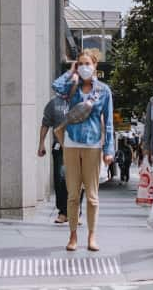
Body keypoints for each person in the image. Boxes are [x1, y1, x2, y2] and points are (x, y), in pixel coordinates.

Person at [52, 49, 115, 252]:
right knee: (72, 194)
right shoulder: (72, 87)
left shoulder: (104, 91)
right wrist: (71, 72)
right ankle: (72, 236)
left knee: (92, 196)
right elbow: (56, 87)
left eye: (87, 63)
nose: (84, 67)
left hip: (93, 145)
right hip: (71, 143)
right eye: (80, 64)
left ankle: (92, 236)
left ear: (95, 65)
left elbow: (110, 122)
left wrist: (109, 150)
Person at [38, 76, 73, 224]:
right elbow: (45, 123)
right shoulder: (54, 103)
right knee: (60, 180)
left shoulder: (80, 101)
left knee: (77, 181)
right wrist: (41, 144)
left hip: (78, 147)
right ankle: (63, 212)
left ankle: (75, 212)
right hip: (59, 148)